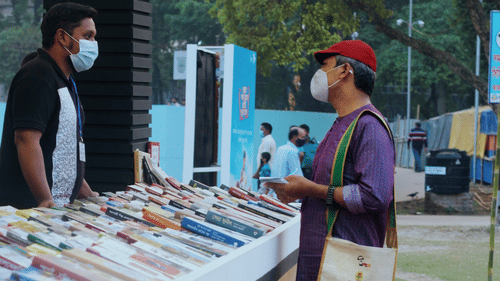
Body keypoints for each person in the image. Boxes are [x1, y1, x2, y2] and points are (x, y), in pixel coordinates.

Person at [265, 40, 394, 280]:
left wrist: (312, 189)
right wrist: (300, 191)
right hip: (324, 259)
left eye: (325, 65)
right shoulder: (341, 124)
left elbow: (375, 196)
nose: (319, 74)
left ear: (344, 71)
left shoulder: (369, 126)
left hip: (345, 263)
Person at [0, 3, 99, 209]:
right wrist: (45, 200)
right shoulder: (37, 76)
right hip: (31, 212)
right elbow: (26, 141)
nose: (93, 43)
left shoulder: (64, 80)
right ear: (62, 37)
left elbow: (62, 151)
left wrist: (87, 194)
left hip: (57, 208)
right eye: (87, 36)